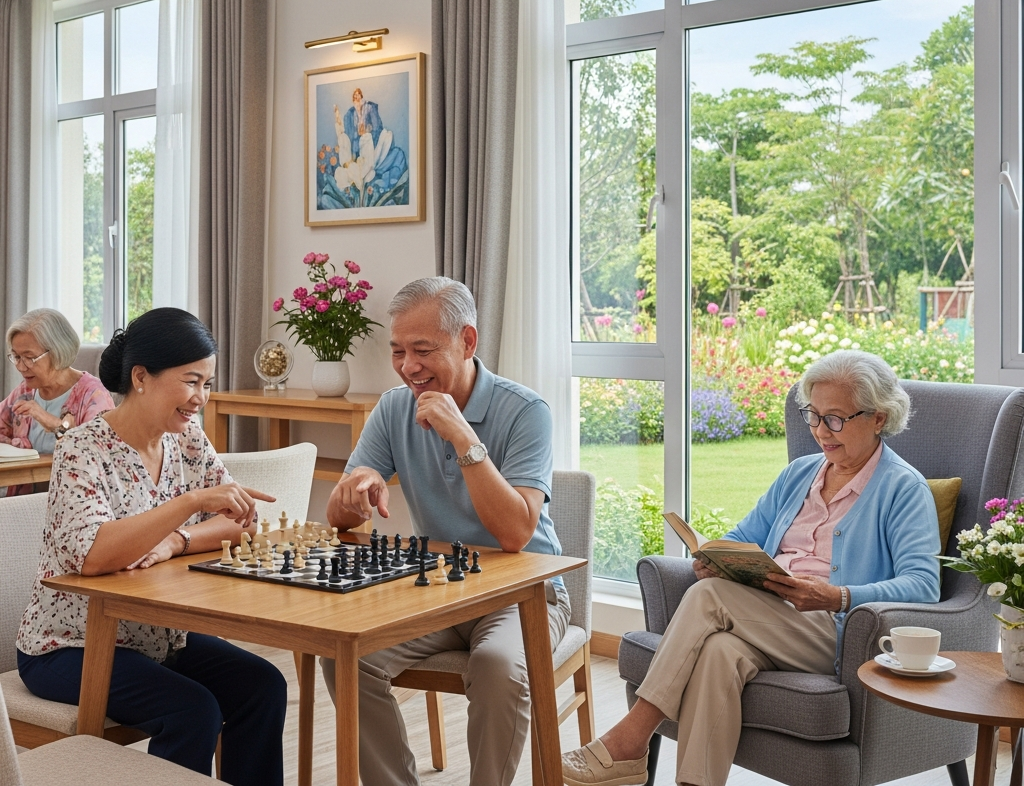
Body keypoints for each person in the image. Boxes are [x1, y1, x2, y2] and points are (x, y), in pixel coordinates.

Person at [561, 350, 941, 786]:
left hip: (835, 630)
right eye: (812, 416)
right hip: (769, 617)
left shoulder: (902, 488)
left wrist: (836, 596)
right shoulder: (800, 474)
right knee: (720, 652)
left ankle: (629, 741)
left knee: (706, 598)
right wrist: (717, 560)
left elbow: (924, 584)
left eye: (835, 419)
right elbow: (742, 537)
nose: (820, 431)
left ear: (877, 417)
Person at [16, 307, 287, 785]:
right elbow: (93, 555)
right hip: (68, 646)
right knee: (193, 711)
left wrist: (177, 541)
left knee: (262, 685)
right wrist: (192, 501)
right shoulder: (82, 448)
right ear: (141, 377)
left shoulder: (188, 442)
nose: (201, 398)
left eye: (207, 383)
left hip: (159, 636)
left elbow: (240, 520)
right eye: (191, 381)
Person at [321, 276, 571, 786]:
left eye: (423, 350)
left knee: (498, 666)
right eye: (397, 350)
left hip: (524, 595)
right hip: (436, 589)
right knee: (345, 654)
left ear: (468, 341)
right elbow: (339, 518)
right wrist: (357, 488)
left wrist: (462, 434)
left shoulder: (526, 412)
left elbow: (516, 535)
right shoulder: (394, 407)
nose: (408, 366)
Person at [0, 309, 114, 497]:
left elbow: (100, 454)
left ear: (58, 351)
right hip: (21, 505)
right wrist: (19, 444)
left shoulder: (94, 395)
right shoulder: (26, 391)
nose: (20, 367)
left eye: (29, 358)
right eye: (17, 357)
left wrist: (53, 423)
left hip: (75, 504)